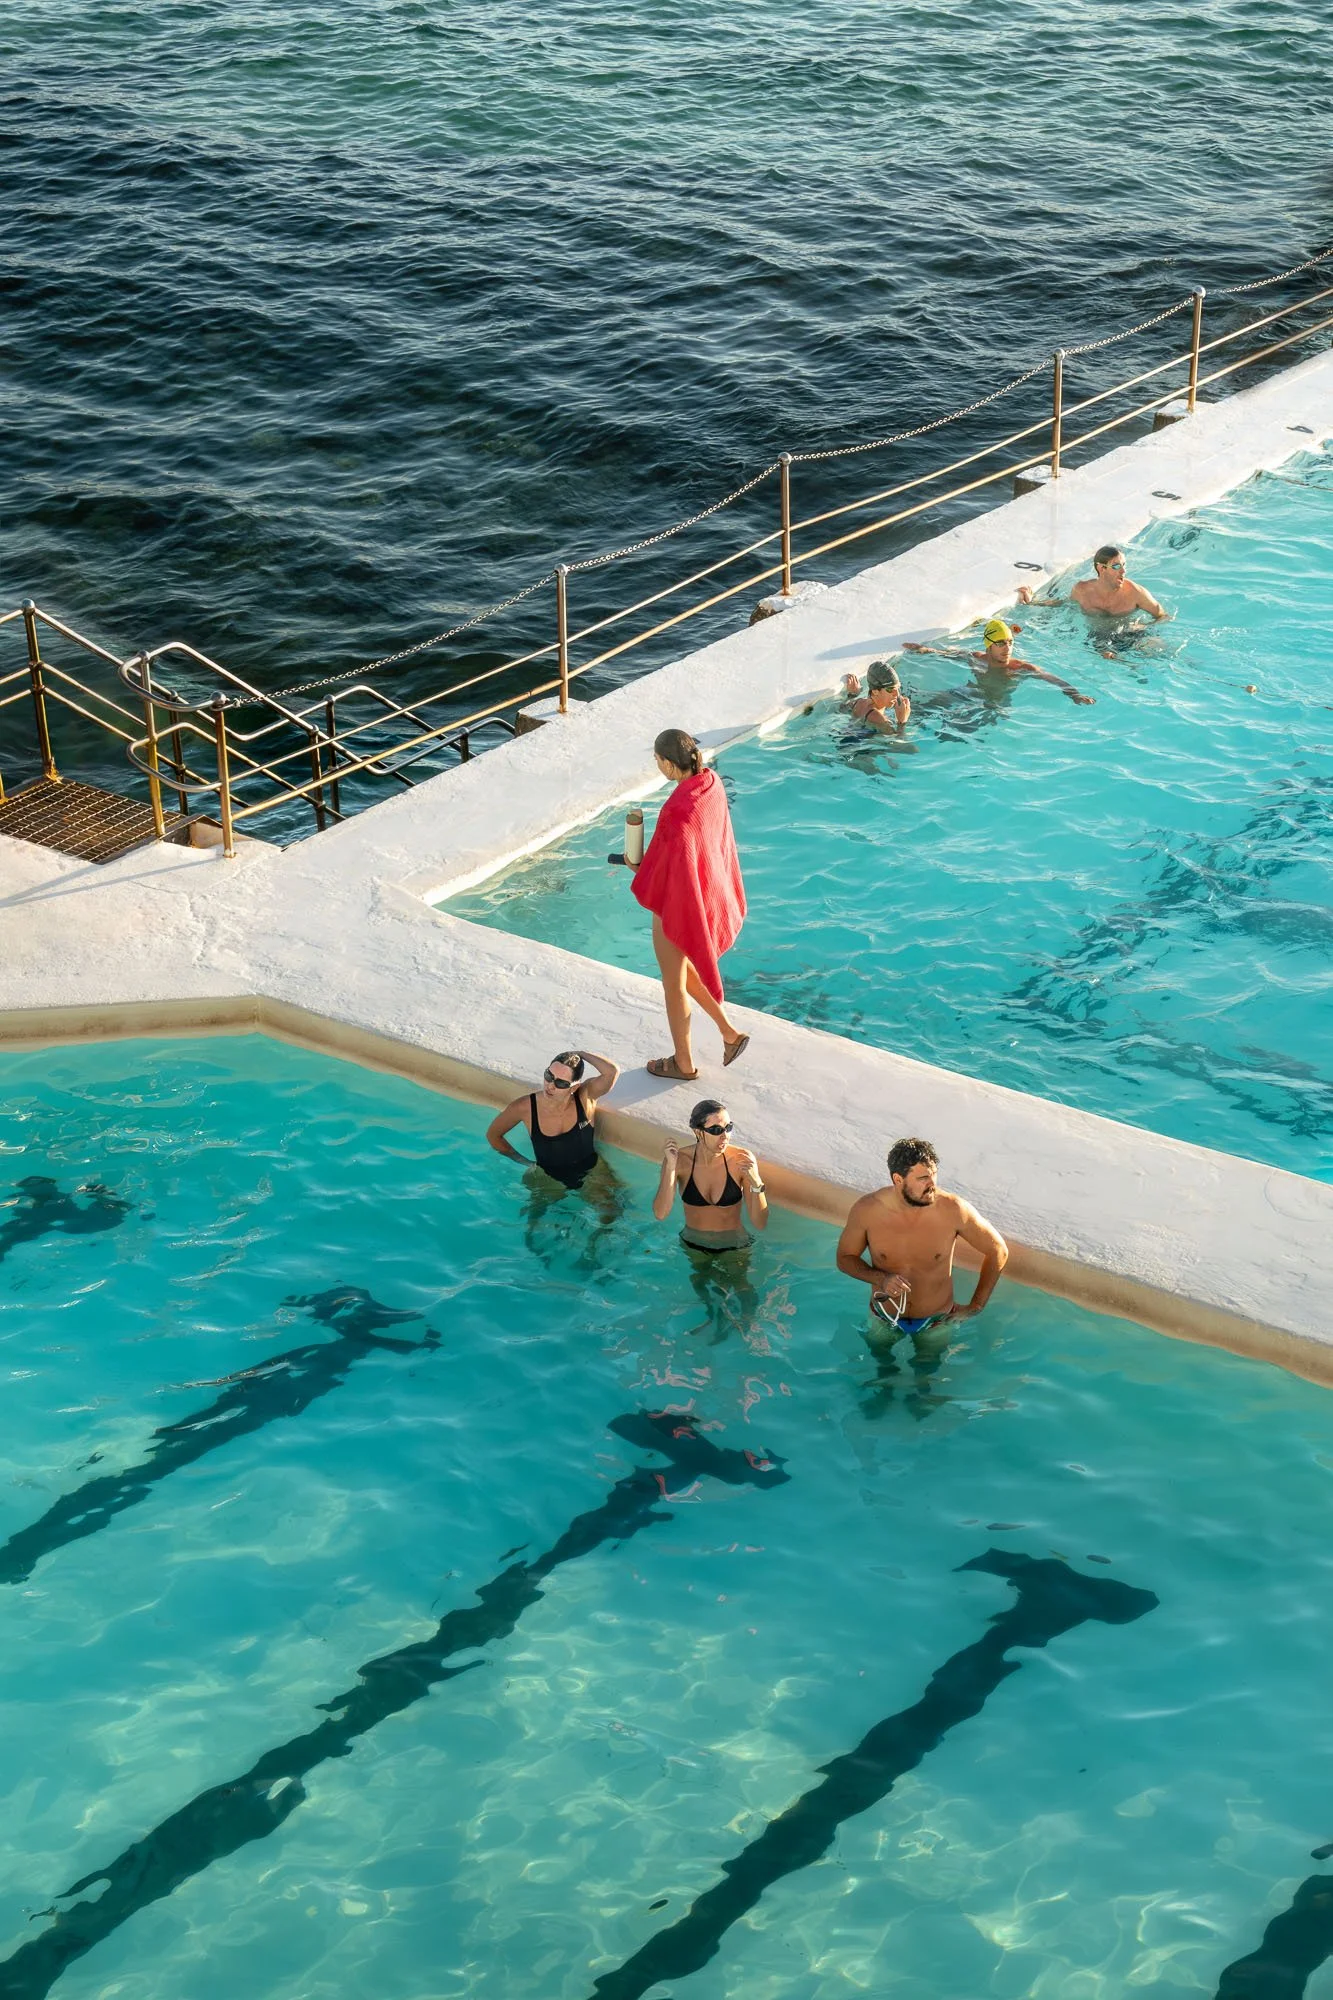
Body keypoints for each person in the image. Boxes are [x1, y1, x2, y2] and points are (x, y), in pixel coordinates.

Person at [629, 728, 749, 1083]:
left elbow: (667, 864)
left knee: (672, 983)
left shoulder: (675, 811)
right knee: (681, 969)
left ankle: (683, 1064)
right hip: (704, 891)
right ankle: (730, 1033)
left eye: (657, 761)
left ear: (667, 763)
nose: (657, 766)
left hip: (677, 901)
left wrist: (638, 866)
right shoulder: (711, 783)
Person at [835, 1136, 1009, 1335]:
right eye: (923, 1178)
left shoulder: (953, 1210)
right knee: (882, 1365)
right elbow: (844, 1259)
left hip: (936, 1321)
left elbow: (998, 1250)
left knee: (928, 1367)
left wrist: (976, 1305)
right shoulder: (868, 1210)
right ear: (898, 1180)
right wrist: (881, 1279)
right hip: (884, 1315)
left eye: (934, 1174)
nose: (932, 1184)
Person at [486, 1049, 620, 1189]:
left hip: (591, 1171)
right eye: (548, 1076)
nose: (550, 1086)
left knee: (614, 1210)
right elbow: (493, 1135)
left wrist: (581, 1054)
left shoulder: (585, 1097)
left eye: (561, 1083)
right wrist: (525, 1162)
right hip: (547, 1178)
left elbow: (611, 1072)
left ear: (574, 1087)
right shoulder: (525, 1107)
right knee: (533, 1211)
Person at [653, 1099, 768, 1255]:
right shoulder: (680, 1161)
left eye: (728, 1127)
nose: (725, 1136)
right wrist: (670, 1168)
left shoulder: (741, 1160)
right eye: (716, 1130)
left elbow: (759, 1223)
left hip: (735, 1247)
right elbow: (660, 1214)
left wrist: (757, 1184)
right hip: (694, 1245)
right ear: (698, 1132)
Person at [904, 619, 1095, 704]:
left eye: (1010, 642)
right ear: (989, 645)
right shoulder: (976, 658)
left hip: (995, 704)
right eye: (1001, 643)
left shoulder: (1020, 668)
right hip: (971, 693)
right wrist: (924, 650)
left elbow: (1054, 679)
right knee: (933, 702)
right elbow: (949, 654)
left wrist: (1075, 695)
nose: (1007, 648)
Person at [840, 660, 912, 735]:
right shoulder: (879, 719)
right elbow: (900, 745)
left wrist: (853, 694)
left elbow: (841, 708)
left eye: (898, 688)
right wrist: (902, 722)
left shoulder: (857, 702)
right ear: (875, 691)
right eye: (890, 689)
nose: (897, 694)